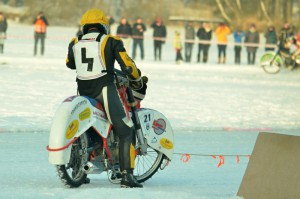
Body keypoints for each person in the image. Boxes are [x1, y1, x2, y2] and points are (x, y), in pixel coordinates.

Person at [66, 8, 146, 188]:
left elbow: (69, 64)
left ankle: (80, 170)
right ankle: (127, 176)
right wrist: (136, 78)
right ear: (104, 26)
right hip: (105, 90)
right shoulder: (111, 41)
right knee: (125, 130)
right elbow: (127, 65)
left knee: (87, 129)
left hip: (84, 91)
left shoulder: (74, 42)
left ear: (85, 26)